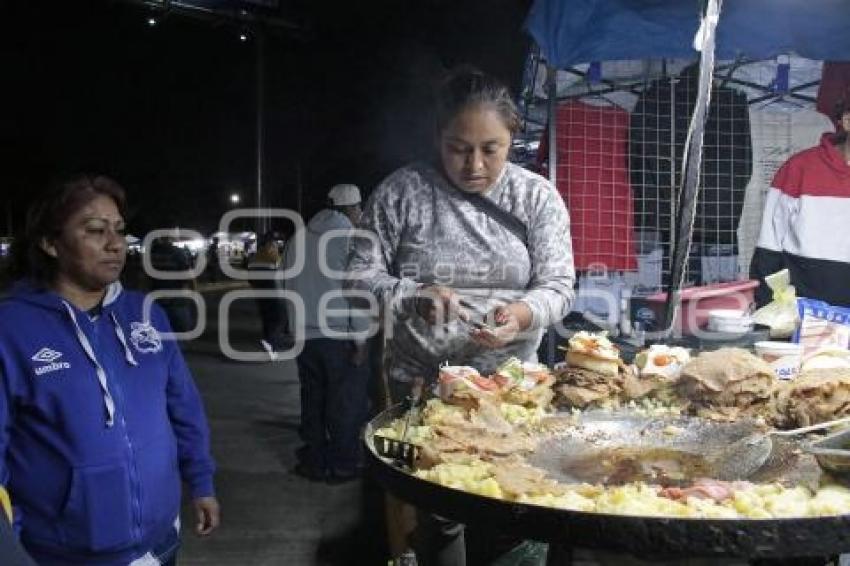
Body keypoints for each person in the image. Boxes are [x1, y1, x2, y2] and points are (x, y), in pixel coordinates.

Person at [345, 67, 575, 565]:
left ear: (512, 136)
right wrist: (411, 294)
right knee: (436, 508)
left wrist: (521, 313)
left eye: (490, 148)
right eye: (457, 147)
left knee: (515, 505)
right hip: (418, 394)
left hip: (513, 394)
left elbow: (559, 288)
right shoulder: (402, 191)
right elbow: (358, 275)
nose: (473, 164)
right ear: (437, 138)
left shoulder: (537, 198)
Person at [2, 174, 220, 565]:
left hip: (160, 542)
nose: (115, 244)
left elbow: (183, 407)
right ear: (50, 243)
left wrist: (201, 481)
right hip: (64, 554)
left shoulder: (146, 314)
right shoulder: (12, 329)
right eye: (94, 230)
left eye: (119, 230)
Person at [283, 184, 371, 483]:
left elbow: (285, 285)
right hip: (339, 337)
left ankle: (315, 460)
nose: (360, 214)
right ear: (350, 208)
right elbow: (357, 291)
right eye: (359, 208)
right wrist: (360, 339)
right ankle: (344, 464)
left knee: (313, 401)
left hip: (305, 338)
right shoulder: (349, 239)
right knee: (345, 404)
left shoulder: (299, 238)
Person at [750, 97, 850, 307]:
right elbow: (769, 247)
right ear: (847, 121)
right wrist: (772, 312)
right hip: (803, 318)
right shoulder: (800, 168)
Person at [247, 231, 290, 359]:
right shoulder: (272, 250)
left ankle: (268, 342)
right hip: (272, 287)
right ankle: (271, 343)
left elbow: (250, 275)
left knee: (267, 316)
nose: (277, 244)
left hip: (259, 289)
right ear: (271, 242)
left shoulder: (256, 254)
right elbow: (281, 268)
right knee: (280, 317)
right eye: (276, 241)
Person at [147, 235, 198, 333]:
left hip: (158, 297)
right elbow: (189, 275)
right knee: (180, 329)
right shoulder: (177, 252)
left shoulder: (151, 253)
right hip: (175, 297)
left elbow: (145, 277)